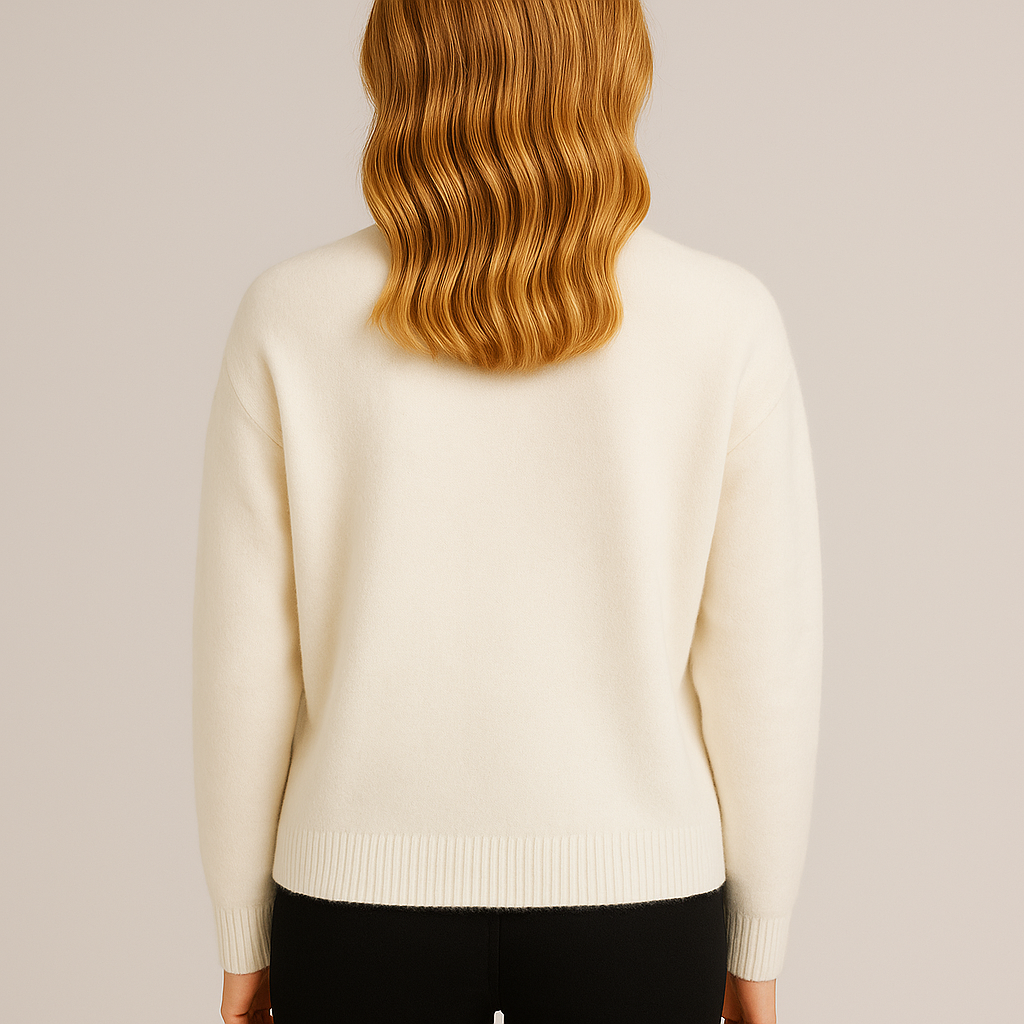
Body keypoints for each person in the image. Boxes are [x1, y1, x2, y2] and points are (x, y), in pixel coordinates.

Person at [191, 1, 823, 1022]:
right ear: (614, 58)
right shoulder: (727, 319)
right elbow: (764, 670)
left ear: (400, 59)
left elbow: (243, 661)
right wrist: (759, 938)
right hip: (641, 904)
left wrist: (240, 932)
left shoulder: (288, 315)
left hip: (356, 906)